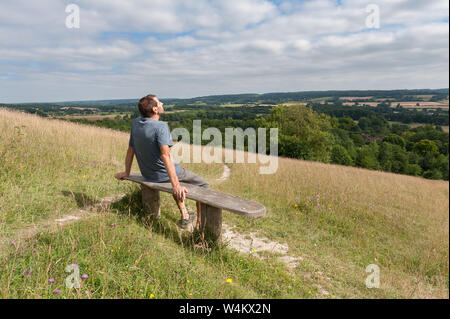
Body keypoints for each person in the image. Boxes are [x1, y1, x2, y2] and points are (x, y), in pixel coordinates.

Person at [115, 94, 210, 230]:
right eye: (159, 103)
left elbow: (131, 149)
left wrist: (127, 171)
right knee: (204, 185)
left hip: (148, 175)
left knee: (174, 180)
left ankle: (185, 215)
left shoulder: (136, 123)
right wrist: (176, 185)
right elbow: (166, 156)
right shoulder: (160, 127)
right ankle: (201, 224)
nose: (162, 104)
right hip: (163, 175)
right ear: (154, 110)